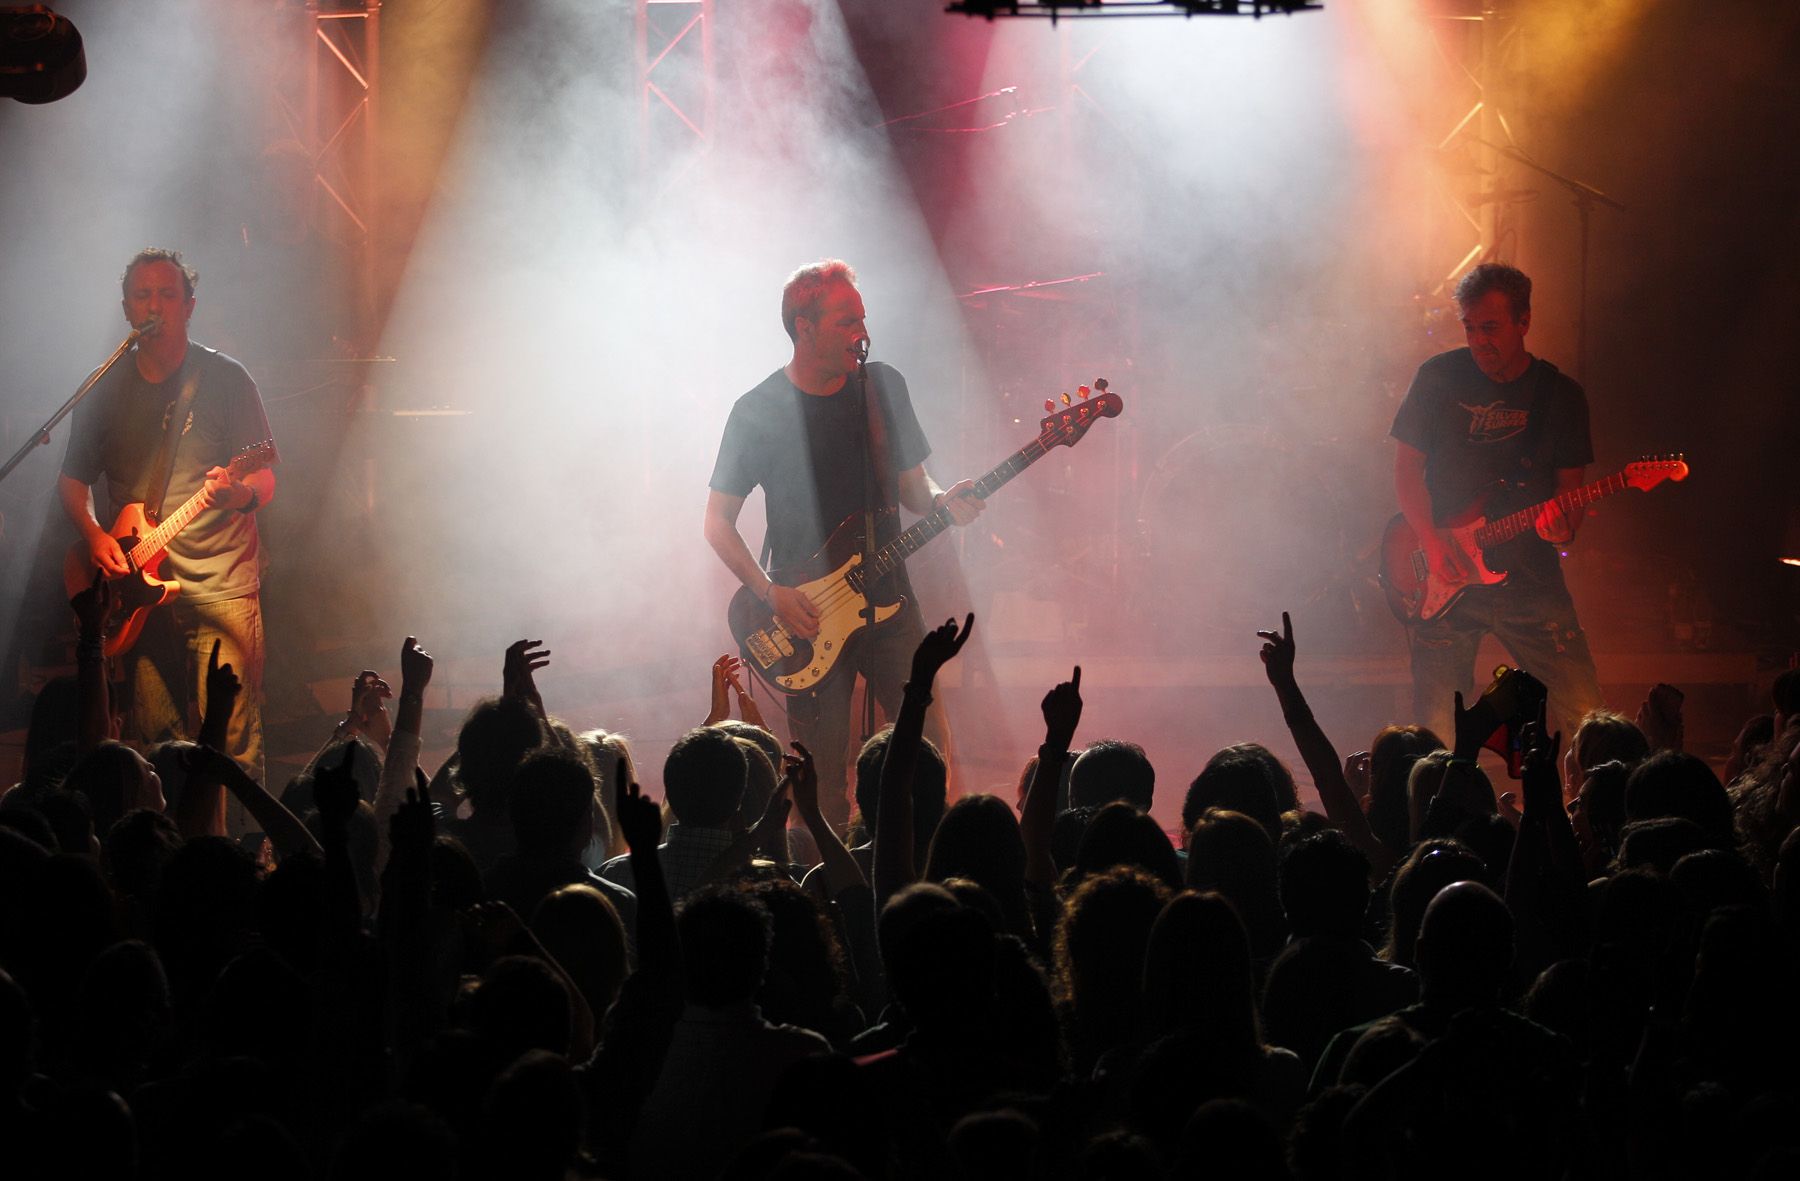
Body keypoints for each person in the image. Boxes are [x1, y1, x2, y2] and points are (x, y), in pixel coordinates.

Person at [704, 259, 983, 825]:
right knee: (820, 776)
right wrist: (768, 593)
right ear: (803, 327)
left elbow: (912, 484)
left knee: (924, 741)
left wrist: (939, 501)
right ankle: (829, 889)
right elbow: (717, 522)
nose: (862, 332)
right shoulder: (756, 412)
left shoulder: (883, 387)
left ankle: (919, 857)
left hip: (890, 596)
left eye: (863, 318)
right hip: (807, 615)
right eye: (845, 321)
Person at [58, 248, 277, 836]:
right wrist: (96, 534)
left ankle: (247, 866)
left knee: (229, 739)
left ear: (189, 307)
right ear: (127, 307)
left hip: (221, 583)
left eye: (167, 295)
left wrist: (237, 495)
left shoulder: (227, 379)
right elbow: (72, 482)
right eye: (142, 296)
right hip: (136, 590)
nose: (154, 305)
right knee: (157, 748)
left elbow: (264, 476)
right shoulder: (104, 387)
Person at [1391, 262, 1603, 741]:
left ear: (1524, 322)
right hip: (1445, 579)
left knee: (1589, 718)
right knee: (1436, 734)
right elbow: (1406, 470)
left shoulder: (1561, 396)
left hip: (1530, 578)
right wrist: (1430, 538)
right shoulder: (1437, 377)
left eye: (1490, 327)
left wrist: (1563, 527)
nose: (1478, 340)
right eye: (1469, 327)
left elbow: (1571, 495)